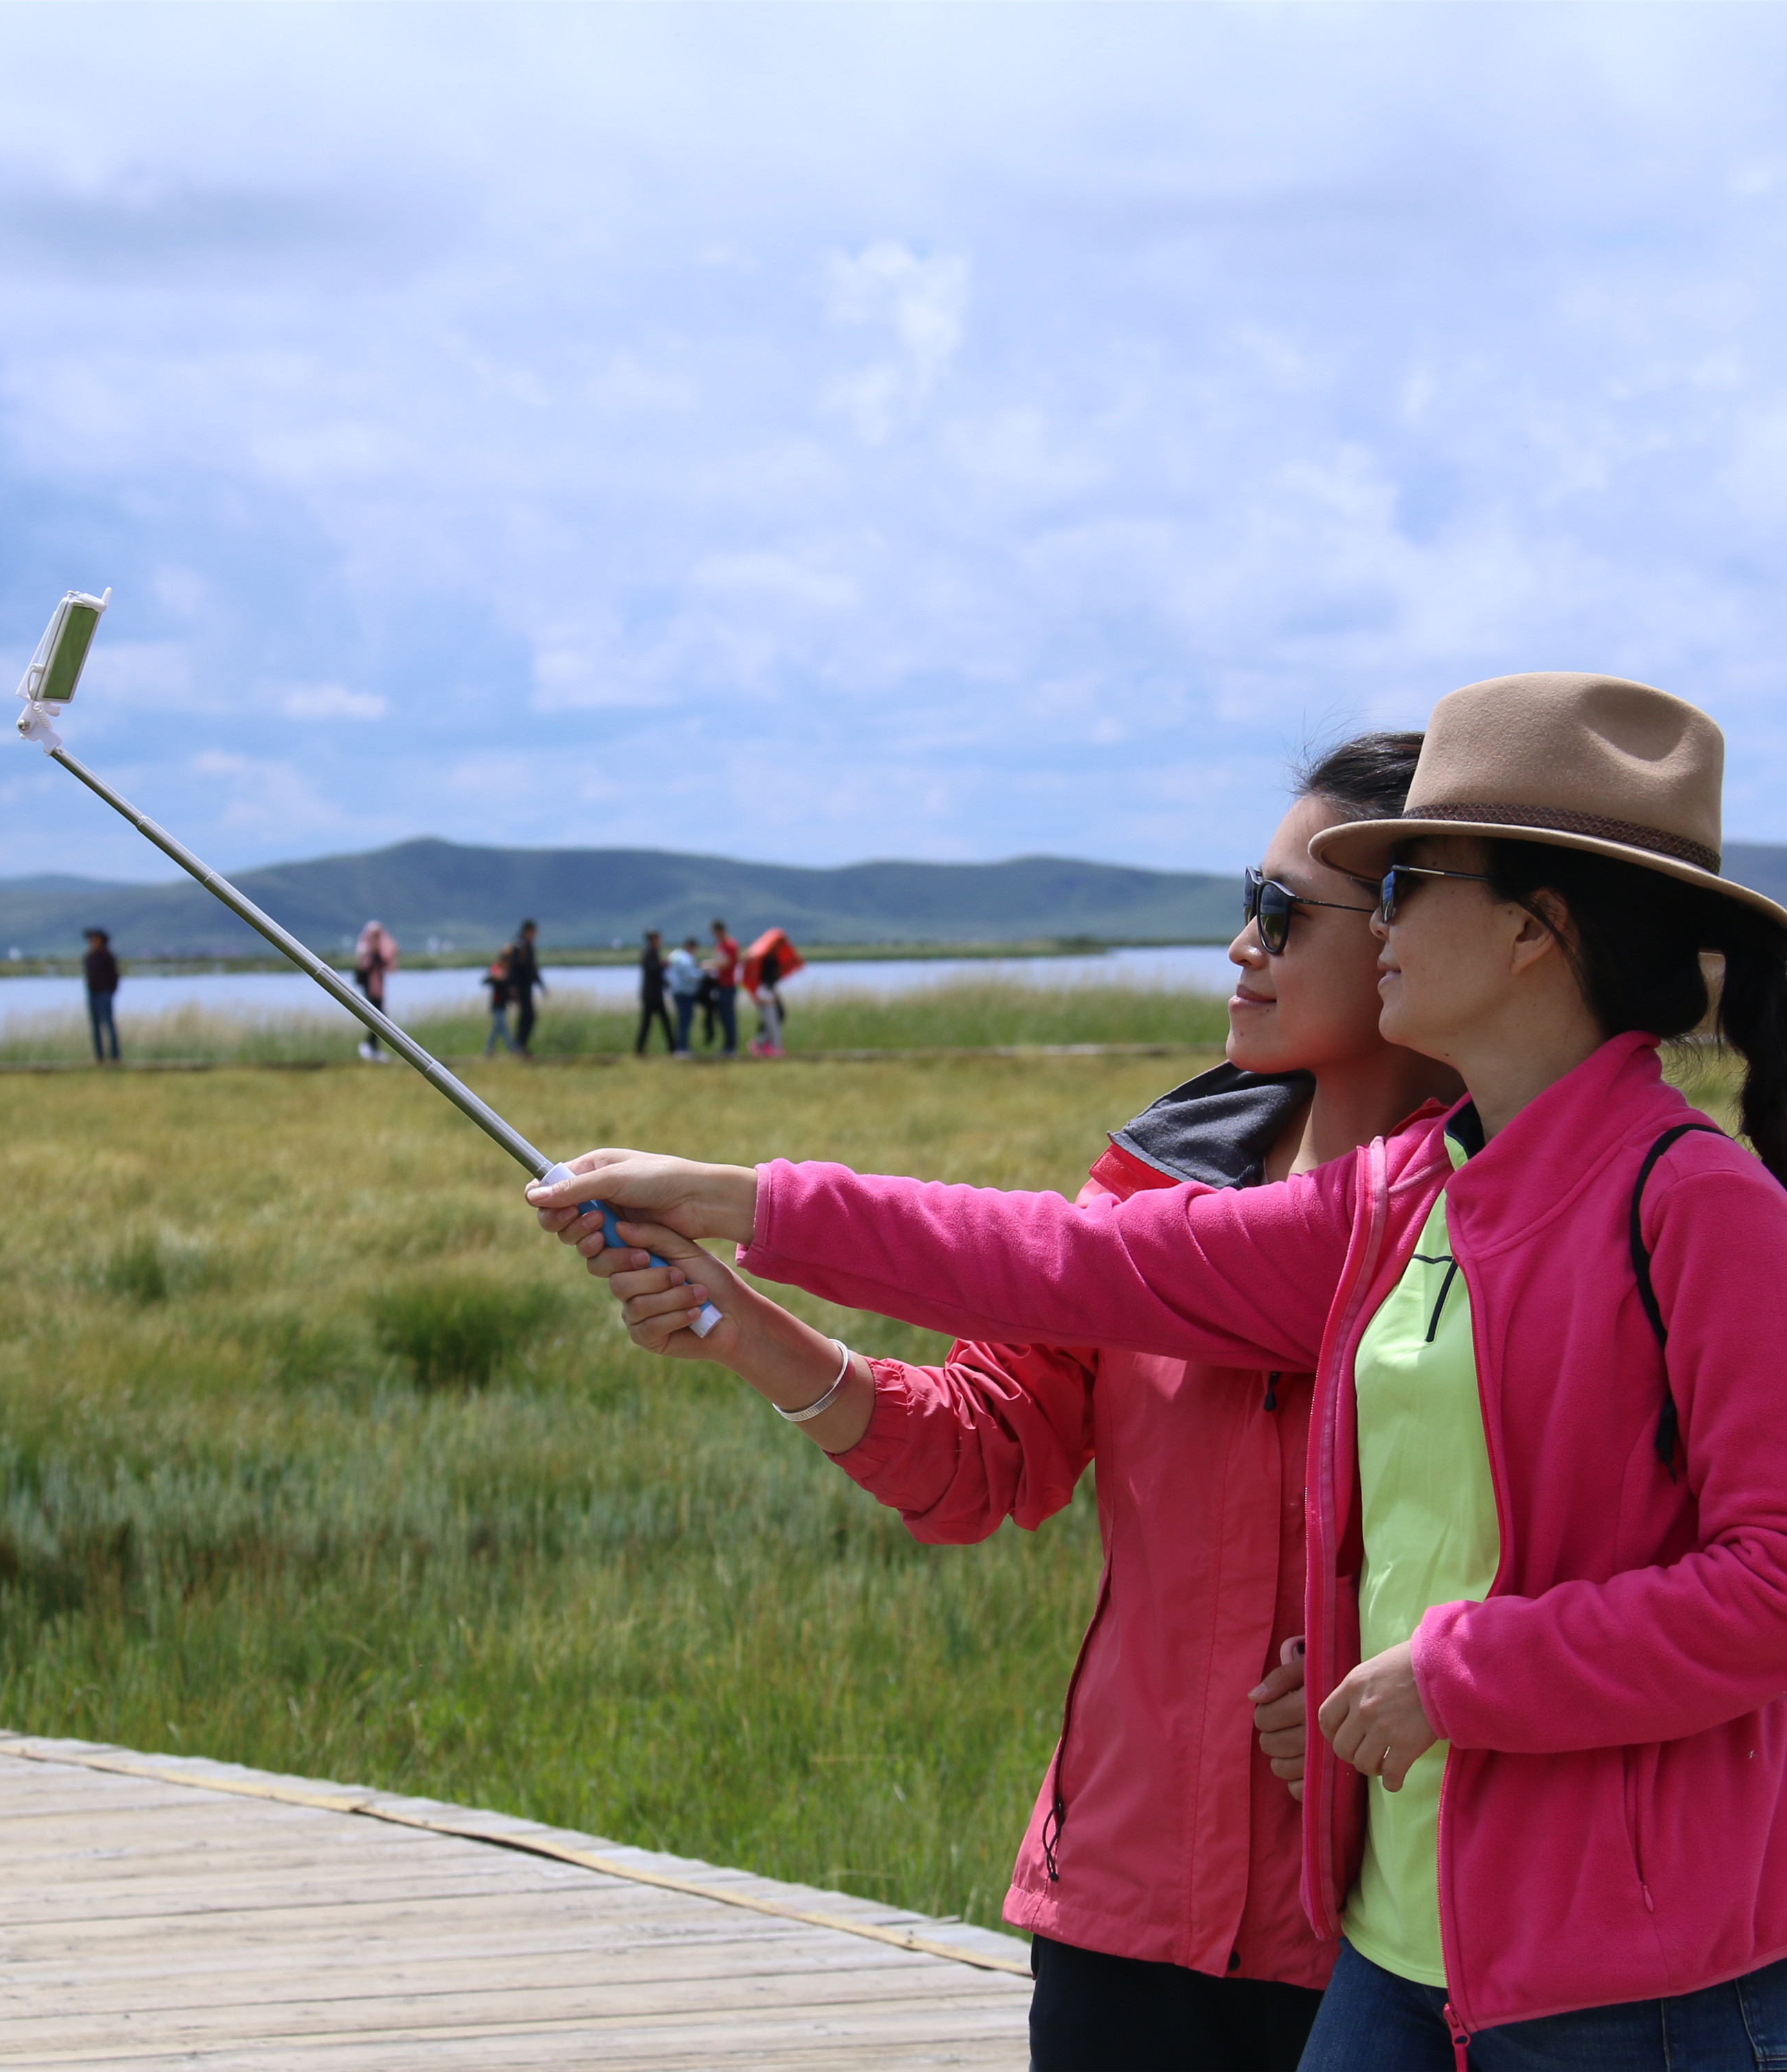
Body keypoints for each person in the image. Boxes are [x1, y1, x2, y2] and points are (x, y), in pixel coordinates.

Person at [537, 674, 1787, 2071]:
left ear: (1534, 929)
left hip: (1615, 1966)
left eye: (1396, 886)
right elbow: (1067, 1264)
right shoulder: (1406, 1198)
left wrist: (1447, 1675)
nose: (1350, 929)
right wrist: (743, 1205)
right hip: (1387, 1938)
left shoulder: (1692, 1210)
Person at [543, 737, 1458, 2069]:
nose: (1238, 947)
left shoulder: (1490, 1210)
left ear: (1410, 937)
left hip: (1386, 1929)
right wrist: (741, 1327)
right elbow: (981, 1458)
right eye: (1243, 902)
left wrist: (1396, 1662)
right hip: (1120, 1907)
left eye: (1279, 913)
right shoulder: (1154, 1181)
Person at [743, 925, 801, 1057]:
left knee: (776, 1016)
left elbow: (777, 976)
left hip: (770, 990)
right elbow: (761, 978)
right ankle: (769, 1045)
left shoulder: (775, 958)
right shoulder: (764, 958)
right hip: (765, 992)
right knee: (772, 1018)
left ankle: (763, 1044)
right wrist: (760, 993)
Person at [354, 918, 400, 1062]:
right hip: (370, 990)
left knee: (380, 1018)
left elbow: (389, 960)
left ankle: (374, 1048)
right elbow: (363, 967)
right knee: (377, 1017)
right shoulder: (365, 949)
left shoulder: (379, 951)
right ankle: (369, 1046)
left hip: (379, 989)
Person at [503, 921, 546, 1057]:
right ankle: (519, 1046)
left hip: (527, 987)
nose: (535, 935)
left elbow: (532, 969)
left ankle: (520, 1046)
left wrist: (541, 985)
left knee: (528, 1016)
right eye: (534, 932)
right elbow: (513, 969)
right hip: (521, 987)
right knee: (528, 1016)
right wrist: (512, 987)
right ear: (528, 931)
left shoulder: (527, 946)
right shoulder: (519, 946)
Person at [81, 928, 121, 1064]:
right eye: (91, 939)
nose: (92, 941)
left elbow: (115, 976)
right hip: (93, 994)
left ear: (102, 941)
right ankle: (99, 1057)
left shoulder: (107, 956)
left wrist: (110, 991)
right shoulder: (89, 957)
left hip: (105, 994)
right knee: (95, 1026)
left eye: (95, 939)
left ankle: (115, 1057)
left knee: (109, 1024)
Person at [636, 931, 680, 1055]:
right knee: (659, 1023)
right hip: (652, 996)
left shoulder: (651, 953)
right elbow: (653, 971)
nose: (660, 941)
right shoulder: (650, 953)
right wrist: (663, 965)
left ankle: (641, 1050)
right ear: (653, 940)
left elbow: (655, 974)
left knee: (651, 1024)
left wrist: (666, 982)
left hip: (652, 994)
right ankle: (672, 1049)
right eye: (658, 939)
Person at [704, 916, 743, 1056]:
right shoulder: (720, 946)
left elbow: (728, 963)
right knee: (722, 1017)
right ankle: (727, 1046)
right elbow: (719, 961)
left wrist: (710, 966)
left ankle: (731, 1047)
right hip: (719, 984)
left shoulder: (731, 945)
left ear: (720, 931)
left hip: (729, 985)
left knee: (729, 1017)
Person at [665, 937, 703, 1058]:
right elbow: (690, 976)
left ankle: (682, 1048)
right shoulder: (685, 959)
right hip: (684, 993)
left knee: (683, 1020)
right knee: (684, 1021)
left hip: (679, 992)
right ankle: (682, 1049)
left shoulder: (678, 957)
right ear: (691, 947)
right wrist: (703, 972)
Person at [482, 954, 516, 1057]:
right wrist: (497, 976)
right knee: (504, 1028)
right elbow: (487, 980)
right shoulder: (497, 973)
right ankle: (512, 1048)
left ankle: (489, 1050)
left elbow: (508, 988)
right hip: (497, 1006)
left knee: (496, 1029)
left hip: (502, 1006)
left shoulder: (506, 975)